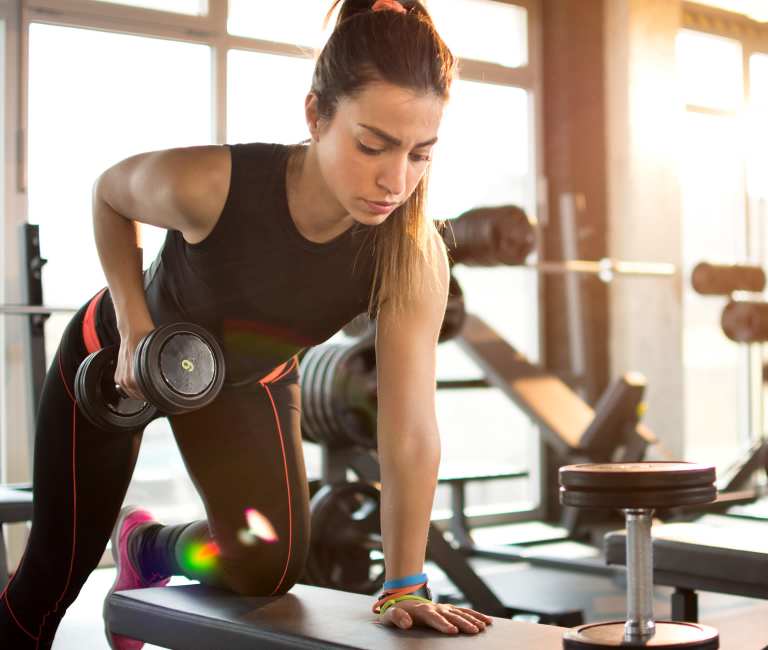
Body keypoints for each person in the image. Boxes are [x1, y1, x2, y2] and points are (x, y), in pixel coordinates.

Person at [0, 1, 493, 647]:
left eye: (420, 154)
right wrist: (136, 323)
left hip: (242, 381)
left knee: (266, 567)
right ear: (317, 114)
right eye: (373, 145)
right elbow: (109, 193)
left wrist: (404, 582)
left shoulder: (409, 253)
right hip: (122, 360)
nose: (395, 180)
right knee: (53, 575)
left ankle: (149, 548)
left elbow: (409, 426)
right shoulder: (215, 183)